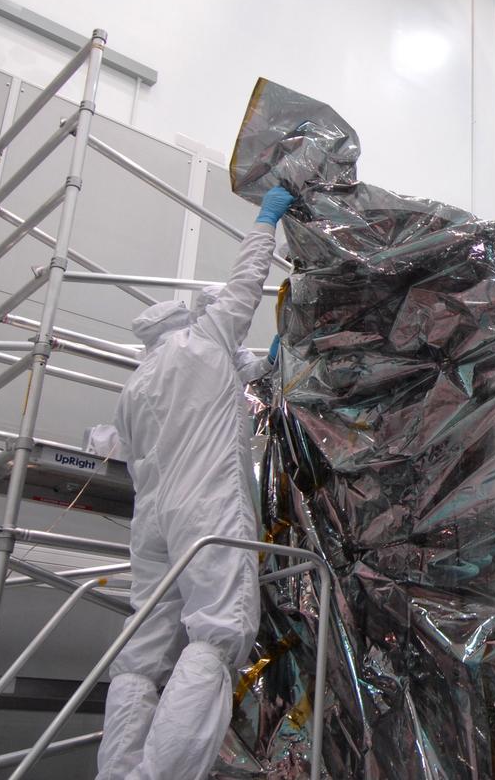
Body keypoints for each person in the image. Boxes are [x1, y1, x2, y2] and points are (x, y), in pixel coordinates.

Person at [97, 185, 294, 780]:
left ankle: (117, 771)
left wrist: (273, 360)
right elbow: (245, 280)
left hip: (154, 527)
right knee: (218, 634)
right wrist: (266, 222)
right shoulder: (204, 338)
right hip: (207, 514)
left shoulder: (135, 388)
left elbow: (239, 379)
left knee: (139, 657)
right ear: (191, 319)